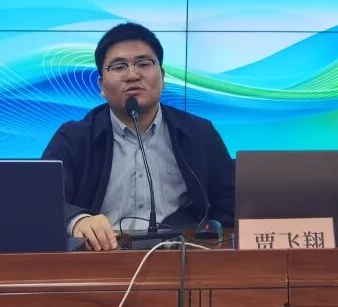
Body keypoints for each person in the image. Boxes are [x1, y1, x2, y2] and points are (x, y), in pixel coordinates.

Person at [42, 22, 235, 250]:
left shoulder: (199, 134)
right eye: (119, 67)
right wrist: (77, 220)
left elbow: (230, 203)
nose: (132, 75)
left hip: (179, 256)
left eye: (143, 64)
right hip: (100, 255)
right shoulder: (74, 138)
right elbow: (40, 200)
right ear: (102, 85)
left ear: (162, 76)